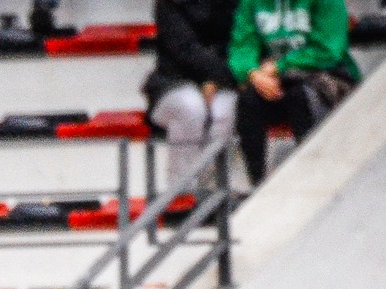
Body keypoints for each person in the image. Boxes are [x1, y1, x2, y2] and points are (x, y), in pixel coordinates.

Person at [227, 0, 357, 185]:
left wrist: (279, 66)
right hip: (275, 79)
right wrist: (253, 74)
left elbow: (328, 50)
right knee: (249, 100)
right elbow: (241, 47)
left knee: (299, 96)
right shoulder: (251, 3)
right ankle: (257, 182)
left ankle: (315, 177)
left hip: (327, 75)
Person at [145, 0, 236, 192]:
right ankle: (180, 191)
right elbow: (182, 48)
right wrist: (214, 76)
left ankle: (213, 190)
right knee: (191, 108)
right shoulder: (169, 4)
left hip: (223, 80)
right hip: (172, 81)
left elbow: (238, 44)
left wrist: (217, 80)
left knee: (224, 110)